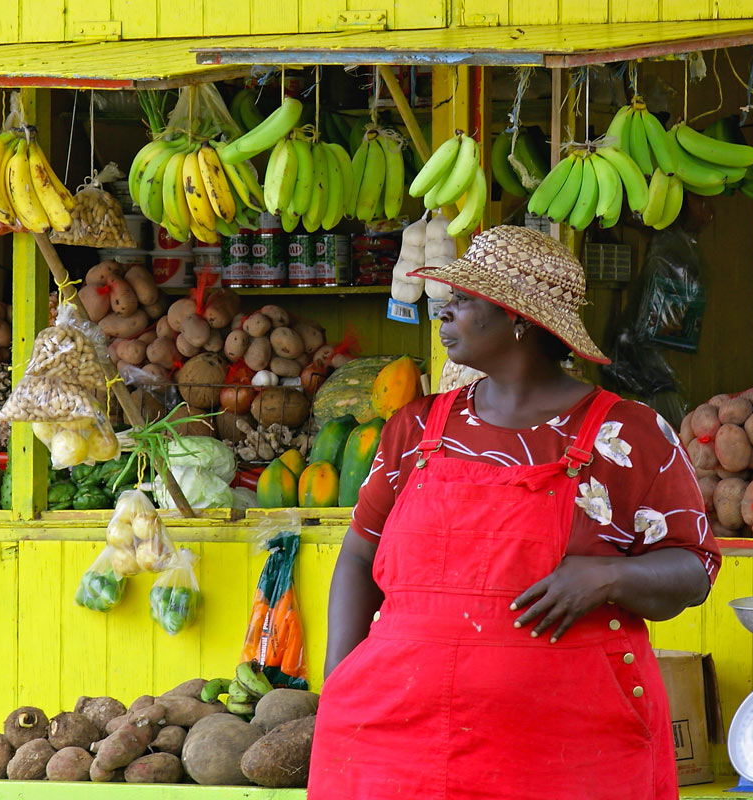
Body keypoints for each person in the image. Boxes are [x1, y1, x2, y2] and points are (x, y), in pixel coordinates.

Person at [308, 226, 720, 800]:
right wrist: (339, 684)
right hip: (399, 744)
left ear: (519, 319)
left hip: (570, 752)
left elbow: (694, 569)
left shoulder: (628, 435)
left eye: (464, 299)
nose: (444, 310)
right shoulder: (415, 428)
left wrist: (608, 577)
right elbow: (358, 556)